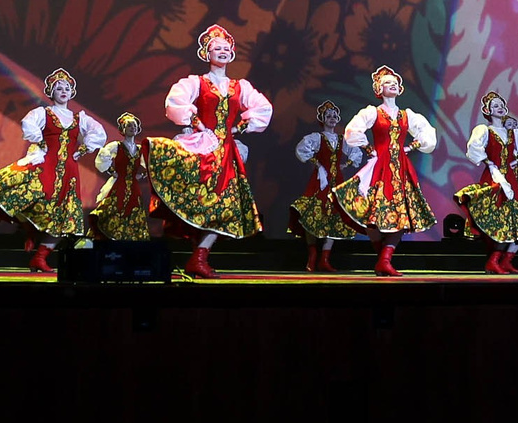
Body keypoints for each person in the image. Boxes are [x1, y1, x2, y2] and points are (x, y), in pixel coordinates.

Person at [145, 22, 274, 279]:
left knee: (226, 205)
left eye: (226, 48)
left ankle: (199, 257)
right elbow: (176, 102)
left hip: (227, 153)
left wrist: (237, 130)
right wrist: (197, 124)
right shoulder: (197, 83)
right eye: (217, 48)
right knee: (204, 204)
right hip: (204, 148)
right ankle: (198, 257)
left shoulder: (241, 87)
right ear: (207, 53)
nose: (223, 52)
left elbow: (263, 109)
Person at [0, 68, 107, 273]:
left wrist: (84, 148)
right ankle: (30, 229)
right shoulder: (43, 113)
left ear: (72, 93)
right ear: (50, 93)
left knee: (65, 216)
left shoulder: (81, 119)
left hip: (69, 171)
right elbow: (29, 124)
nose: (63, 91)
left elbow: (98, 133)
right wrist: (39, 141)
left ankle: (40, 257)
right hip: (46, 165)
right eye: (58, 88)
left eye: (67, 88)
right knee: (28, 196)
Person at [333, 65, 440, 277]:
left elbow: (427, 134)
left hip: (400, 168)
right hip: (379, 166)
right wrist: (368, 148)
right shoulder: (373, 112)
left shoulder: (406, 115)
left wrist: (411, 147)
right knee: (372, 212)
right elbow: (352, 130)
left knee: (402, 211)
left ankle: (384, 260)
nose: (392, 85)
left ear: (400, 89)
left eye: (394, 83)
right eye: (386, 83)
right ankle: (382, 260)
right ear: (378, 90)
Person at [456, 90, 518, 274]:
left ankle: (505, 261)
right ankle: (494, 260)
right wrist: (489, 162)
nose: (500, 108)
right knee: (499, 222)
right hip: (494, 179)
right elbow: (475, 149)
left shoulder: (515, 134)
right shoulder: (484, 131)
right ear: (487, 110)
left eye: (501, 105)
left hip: (513, 181)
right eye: (495, 106)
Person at [289, 99, 365, 272]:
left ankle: (324, 258)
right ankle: (312, 256)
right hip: (320, 180)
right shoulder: (317, 138)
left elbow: (355, 152)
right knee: (313, 213)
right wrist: (316, 163)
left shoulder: (341, 139)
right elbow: (302, 150)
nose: (332, 118)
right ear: (322, 119)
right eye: (328, 115)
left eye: (334, 116)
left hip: (336, 180)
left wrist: (346, 164)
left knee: (334, 215)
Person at [90, 113, 160, 242]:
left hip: (133, 185)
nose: (132, 128)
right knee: (114, 206)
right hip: (119, 183)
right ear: (123, 129)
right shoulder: (116, 146)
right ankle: (109, 235)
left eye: (134, 125)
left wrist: (141, 174)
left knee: (133, 209)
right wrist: (112, 171)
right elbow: (102, 159)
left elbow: (147, 165)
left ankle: (130, 239)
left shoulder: (140, 149)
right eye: (129, 125)